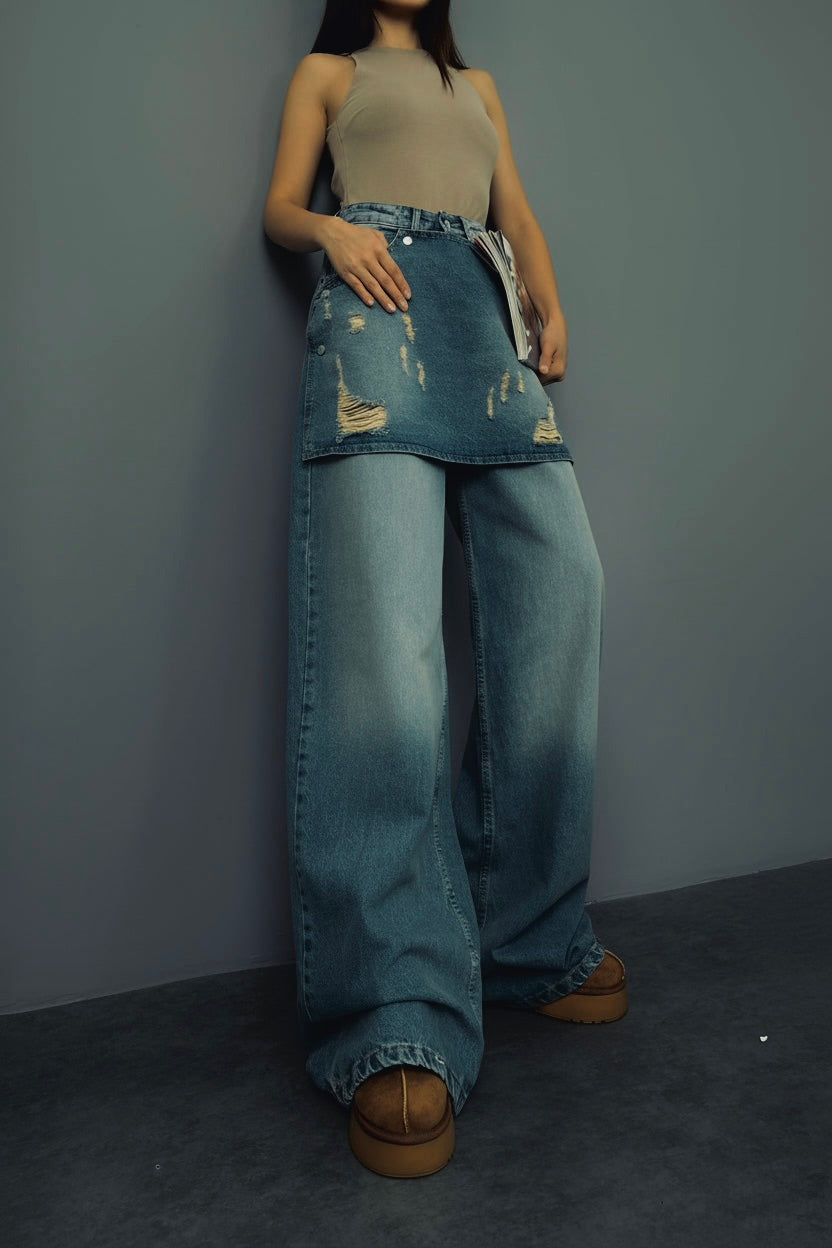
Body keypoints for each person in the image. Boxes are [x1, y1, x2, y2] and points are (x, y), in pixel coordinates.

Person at [262, 0, 628, 1179]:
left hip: (483, 311)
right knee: (386, 649)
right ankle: (393, 1013)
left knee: (562, 588)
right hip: (375, 307)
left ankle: (525, 937)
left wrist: (550, 304)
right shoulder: (328, 72)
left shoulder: (479, 89)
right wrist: (330, 230)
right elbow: (276, 208)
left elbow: (513, 212)